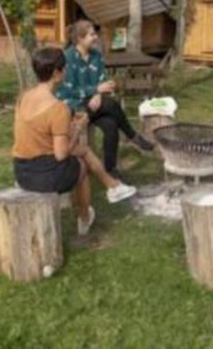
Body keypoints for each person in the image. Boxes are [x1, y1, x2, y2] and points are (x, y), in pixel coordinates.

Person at [13, 47, 137, 236]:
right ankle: (85, 218)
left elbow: (37, 132)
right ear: (56, 73)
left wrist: (68, 125)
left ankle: (112, 187)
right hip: (42, 175)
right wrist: (78, 129)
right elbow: (61, 154)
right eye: (65, 68)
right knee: (81, 166)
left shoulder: (24, 97)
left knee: (82, 151)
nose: (67, 71)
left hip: (21, 170)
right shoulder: (58, 108)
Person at [56, 20, 154, 178]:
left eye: (95, 33)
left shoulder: (97, 56)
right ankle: (132, 136)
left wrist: (98, 94)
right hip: (75, 106)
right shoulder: (67, 58)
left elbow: (102, 81)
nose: (96, 37)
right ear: (80, 38)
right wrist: (95, 90)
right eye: (92, 34)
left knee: (111, 124)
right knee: (112, 104)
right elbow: (68, 91)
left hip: (96, 105)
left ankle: (110, 168)